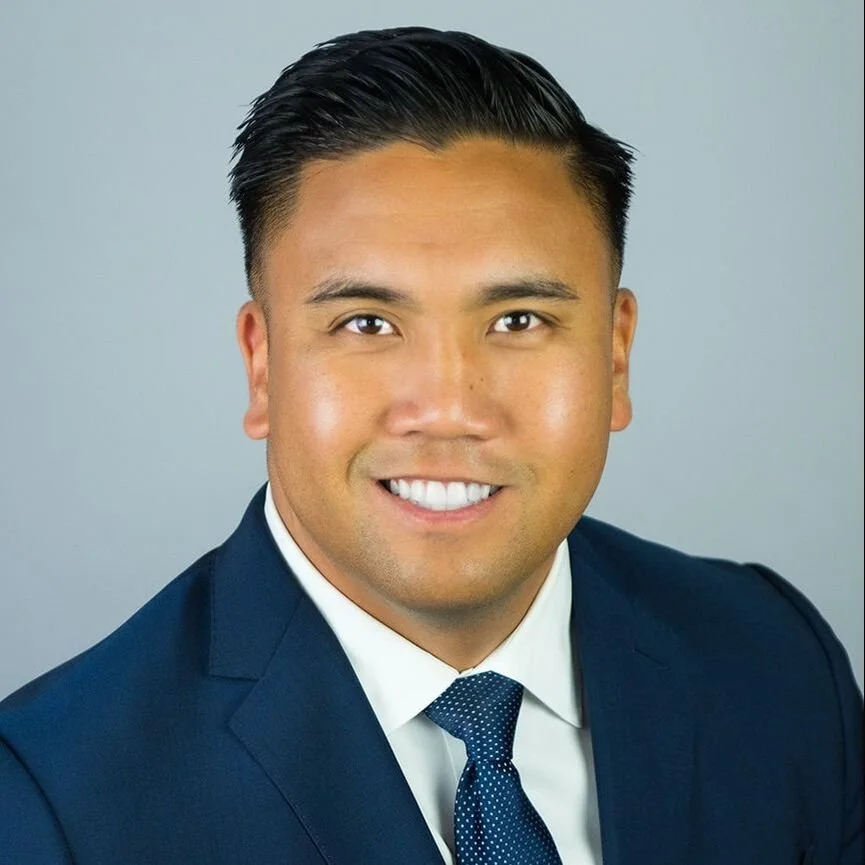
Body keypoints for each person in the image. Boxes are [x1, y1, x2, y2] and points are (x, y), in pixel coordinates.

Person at [0, 25, 860, 865]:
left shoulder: (777, 662)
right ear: (262, 367)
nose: (447, 409)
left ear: (614, 354)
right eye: (366, 323)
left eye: (518, 320)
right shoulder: (50, 800)